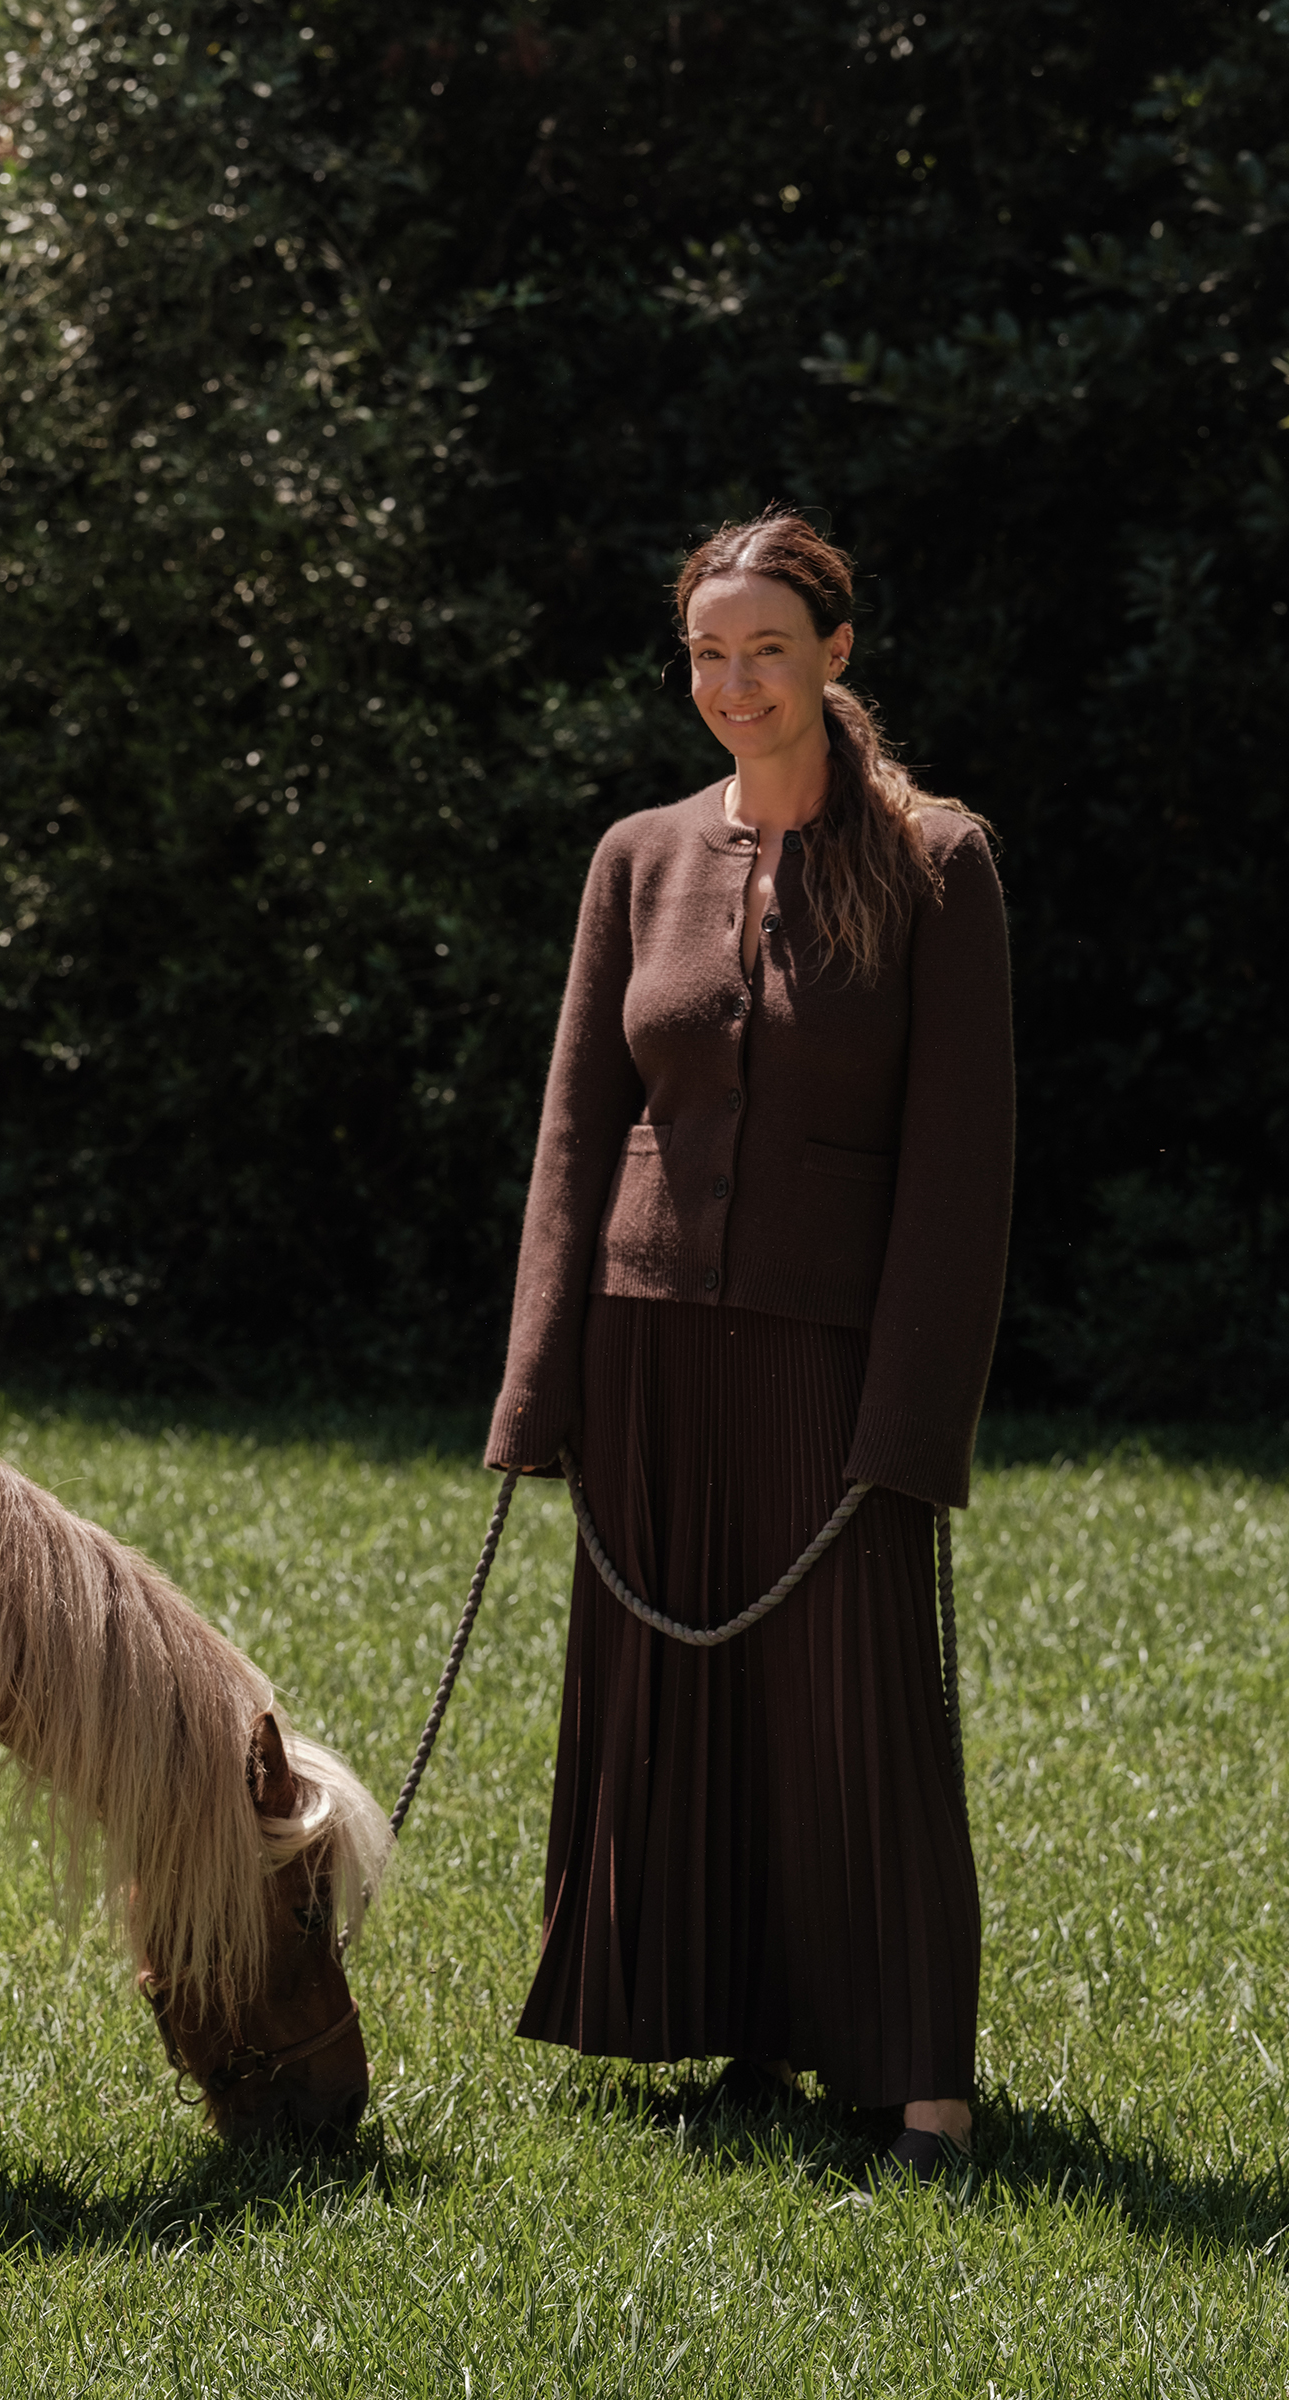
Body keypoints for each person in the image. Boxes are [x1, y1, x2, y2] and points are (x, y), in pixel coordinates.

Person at [485, 508, 1013, 2182]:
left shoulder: (939, 863)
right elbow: (577, 1128)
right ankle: (737, 2030)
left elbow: (962, 1169)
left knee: (860, 1717)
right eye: (708, 654)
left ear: (836, 653)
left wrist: (909, 1418)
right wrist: (538, 1381)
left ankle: (921, 2089)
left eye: (767, 649)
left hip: (830, 1360)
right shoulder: (637, 856)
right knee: (684, 1710)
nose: (734, 683)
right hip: (645, 1345)